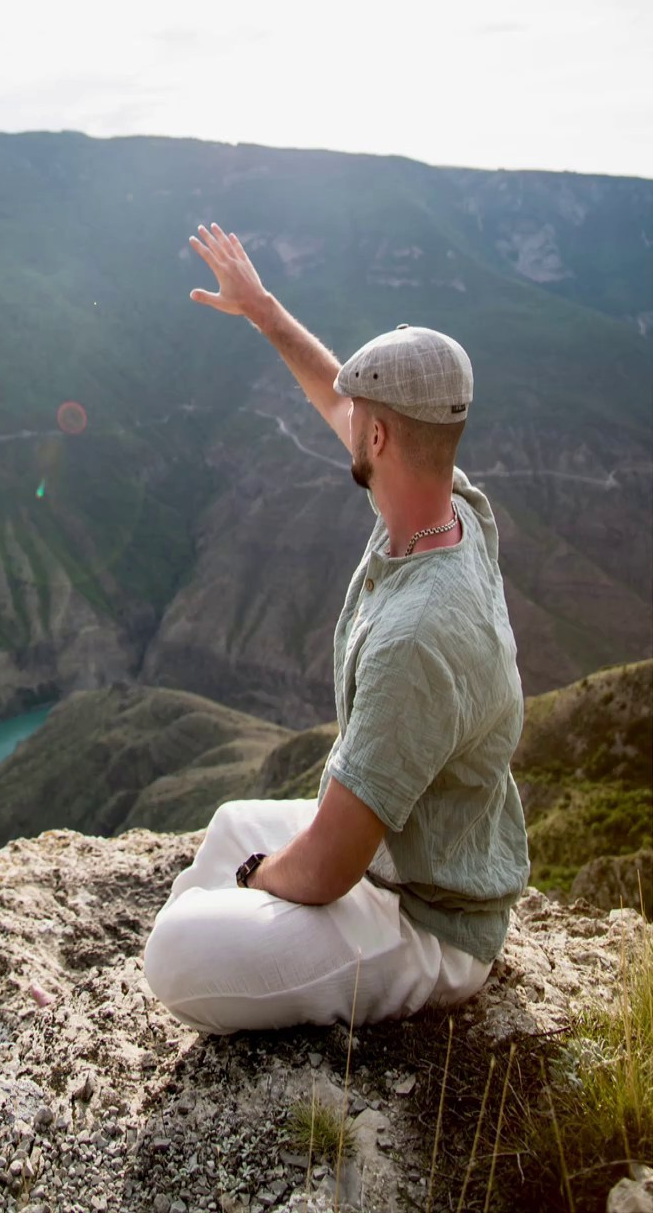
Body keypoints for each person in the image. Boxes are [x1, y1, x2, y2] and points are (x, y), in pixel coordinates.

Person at [142, 222, 530, 1035]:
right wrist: (266, 312)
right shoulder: (450, 506)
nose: (345, 419)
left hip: (427, 920)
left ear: (380, 437)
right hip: (409, 851)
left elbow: (323, 869)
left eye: (362, 417)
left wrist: (256, 885)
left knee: (175, 952)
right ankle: (241, 939)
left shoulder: (417, 636)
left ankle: (227, 949)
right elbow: (335, 396)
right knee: (226, 824)